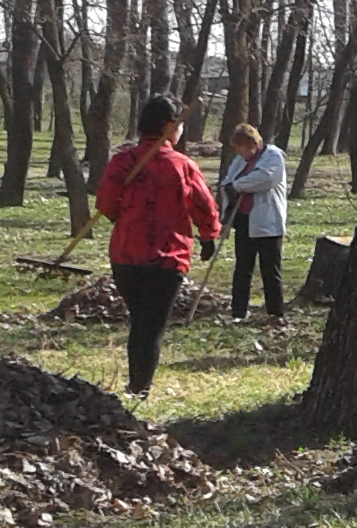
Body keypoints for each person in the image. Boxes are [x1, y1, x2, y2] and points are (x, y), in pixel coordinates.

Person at [95, 94, 221, 397]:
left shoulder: (122, 161)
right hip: (166, 257)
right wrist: (208, 236)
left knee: (140, 319)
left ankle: (136, 383)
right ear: (169, 126)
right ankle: (140, 387)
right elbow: (204, 206)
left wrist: (128, 217)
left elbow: (106, 205)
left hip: (126, 255)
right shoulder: (182, 166)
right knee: (150, 325)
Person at [218, 123, 287, 321]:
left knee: (270, 269)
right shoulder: (239, 162)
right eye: (237, 148)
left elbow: (265, 179)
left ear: (253, 143)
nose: (241, 152)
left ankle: (275, 312)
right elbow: (227, 183)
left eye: (243, 147)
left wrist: (239, 185)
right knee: (242, 268)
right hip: (243, 219)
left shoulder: (273, 156)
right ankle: (238, 311)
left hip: (267, 222)